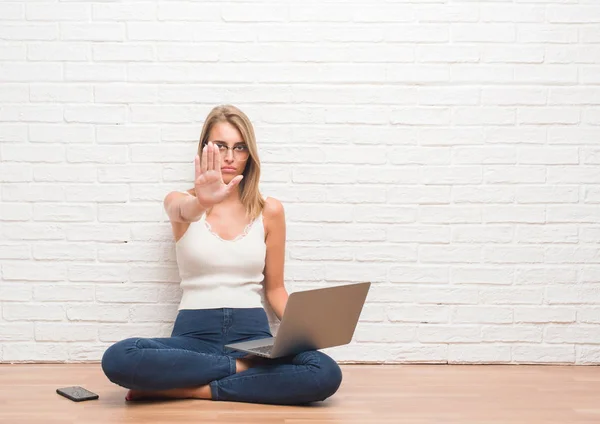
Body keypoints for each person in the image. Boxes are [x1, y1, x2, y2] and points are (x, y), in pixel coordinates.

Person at [101, 105, 343, 405]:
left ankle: (191, 389)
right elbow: (183, 211)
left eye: (239, 147)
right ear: (205, 150)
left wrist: (305, 332)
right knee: (119, 358)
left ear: (249, 154)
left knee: (325, 372)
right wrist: (201, 202)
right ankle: (243, 373)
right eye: (220, 146)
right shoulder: (182, 202)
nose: (230, 157)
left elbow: (276, 289)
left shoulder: (270, 210)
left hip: (254, 340)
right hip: (194, 339)